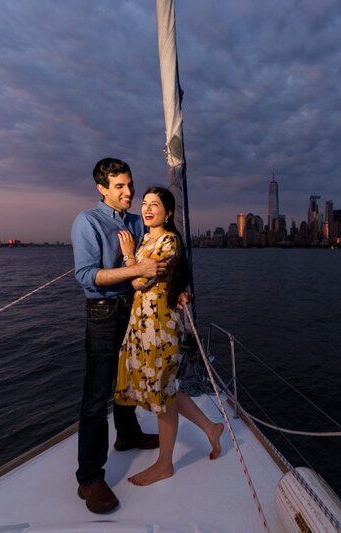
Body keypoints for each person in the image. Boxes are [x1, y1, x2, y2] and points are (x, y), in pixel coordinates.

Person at [71, 158, 167, 514]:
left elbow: (151, 262)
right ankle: (90, 478)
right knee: (97, 395)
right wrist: (135, 268)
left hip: (134, 307)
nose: (129, 192)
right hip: (104, 312)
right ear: (102, 188)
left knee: (126, 380)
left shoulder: (134, 221)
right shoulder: (87, 222)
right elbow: (86, 276)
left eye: (130, 184)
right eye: (120, 186)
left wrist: (172, 285)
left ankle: (127, 434)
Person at [114, 186, 223, 486]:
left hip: (159, 330)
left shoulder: (169, 242)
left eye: (155, 205)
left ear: (169, 212)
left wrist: (127, 256)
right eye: (145, 204)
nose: (147, 209)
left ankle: (165, 464)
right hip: (144, 326)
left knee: (162, 396)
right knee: (168, 390)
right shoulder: (148, 238)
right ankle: (211, 428)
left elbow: (137, 281)